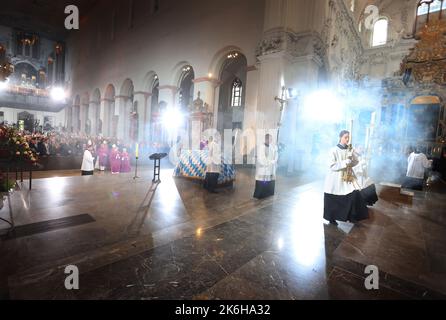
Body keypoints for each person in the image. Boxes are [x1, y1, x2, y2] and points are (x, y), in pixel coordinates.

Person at [323, 130, 369, 225]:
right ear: (340, 137)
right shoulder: (333, 150)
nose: (347, 139)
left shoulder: (350, 149)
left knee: (353, 195)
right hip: (335, 178)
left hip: (347, 177)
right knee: (334, 198)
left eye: (348, 137)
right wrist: (345, 162)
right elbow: (332, 166)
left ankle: (352, 217)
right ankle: (331, 218)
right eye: (345, 137)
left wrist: (352, 159)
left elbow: (355, 162)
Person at [253, 133, 278, 199]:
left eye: (271, 139)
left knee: (267, 182)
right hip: (263, 168)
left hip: (269, 169)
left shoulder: (272, 147)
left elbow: (275, 155)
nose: (271, 140)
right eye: (270, 139)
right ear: (266, 139)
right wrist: (269, 162)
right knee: (262, 182)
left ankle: (266, 194)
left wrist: (274, 160)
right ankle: (259, 195)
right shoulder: (261, 147)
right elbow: (261, 159)